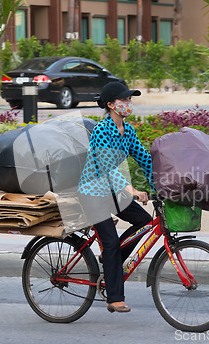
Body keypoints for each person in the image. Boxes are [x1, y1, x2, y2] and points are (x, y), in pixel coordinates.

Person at [78, 82, 154, 313]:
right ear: (111, 105)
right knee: (110, 242)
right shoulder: (102, 130)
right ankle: (114, 298)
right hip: (92, 193)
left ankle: (112, 261)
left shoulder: (128, 131)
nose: (129, 104)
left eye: (130, 100)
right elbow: (105, 167)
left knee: (145, 222)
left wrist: (163, 184)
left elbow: (145, 159)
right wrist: (131, 190)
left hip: (113, 192)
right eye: (125, 100)